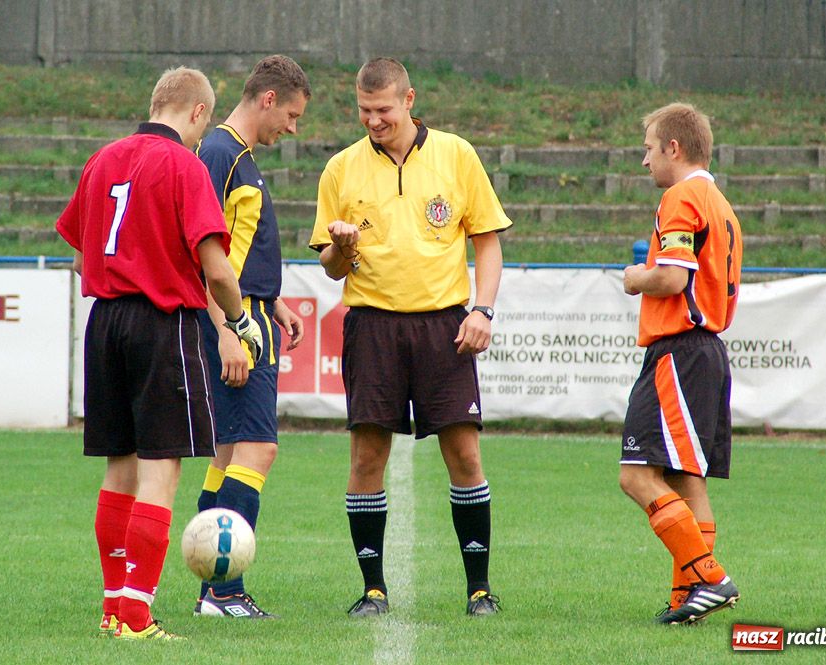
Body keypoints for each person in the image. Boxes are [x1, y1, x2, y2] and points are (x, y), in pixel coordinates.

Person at [56, 66, 264, 641]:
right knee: (160, 470)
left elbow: (79, 260)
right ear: (199, 112)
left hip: (104, 322)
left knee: (118, 469)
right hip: (161, 322)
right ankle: (138, 615)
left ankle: (112, 608)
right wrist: (240, 321)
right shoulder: (184, 165)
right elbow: (216, 268)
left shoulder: (102, 159)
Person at [308, 57, 512, 617]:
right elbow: (330, 266)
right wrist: (342, 248)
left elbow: (488, 243)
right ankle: (373, 589)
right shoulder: (340, 169)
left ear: (410, 100)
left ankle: (479, 590)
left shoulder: (456, 154)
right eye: (364, 110)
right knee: (367, 456)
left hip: (445, 325)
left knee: (465, 454)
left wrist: (484, 311)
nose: (374, 120)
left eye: (383, 109)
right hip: (371, 324)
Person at [191, 55, 310, 619]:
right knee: (257, 448)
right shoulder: (220, 154)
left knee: (230, 450)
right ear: (268, 99)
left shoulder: (238, 157)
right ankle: (224, 591)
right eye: (291, 114)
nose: (292, 127)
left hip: (254, 312)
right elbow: (204, 256)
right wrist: (227, 332)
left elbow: (235, 250)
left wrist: (274, 301)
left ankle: (210, 586)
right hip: (236, 324)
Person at [620, 102, 743, 625]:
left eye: (649, 148)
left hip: (680, 351)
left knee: (635, 475)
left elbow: (670, 278)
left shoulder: (681, 195)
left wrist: (634, 275)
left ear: (674, 147)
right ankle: (685, 596)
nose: (644, 161)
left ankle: (711, 578)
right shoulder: (720, 202)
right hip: (708, 351)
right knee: (688, 480)